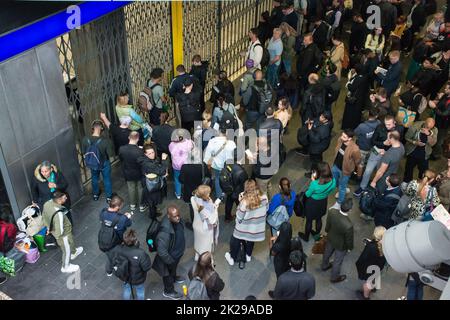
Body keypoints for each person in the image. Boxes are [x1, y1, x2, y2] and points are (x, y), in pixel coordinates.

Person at [354, 115, 404, 197]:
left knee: (381, 173)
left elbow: (398, 142)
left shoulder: (400, 129)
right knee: (368, 171)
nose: (386, 126)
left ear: (394, 123)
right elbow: (373, 141)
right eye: (385, 124)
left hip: (388, 154)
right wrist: (382, 144)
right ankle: (362, 187)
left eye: (389, 124)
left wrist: (387, 151)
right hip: (377, 151)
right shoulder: (380, 127)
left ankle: (375, 190)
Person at [224, 180, 269, 265]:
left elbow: (239, 216)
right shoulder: (264, 197)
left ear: (246, 188)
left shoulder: (244, 201)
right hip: (256, 227)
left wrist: (240, 201)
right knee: (251, 240)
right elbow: (266, 209)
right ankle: (248, 255)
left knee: (235, 239)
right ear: (256, 186)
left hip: (244, 227)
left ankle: (232, 258)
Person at [42, 191, 83, 273]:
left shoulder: (47, 204)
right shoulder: (59, 214)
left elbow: (43, 216)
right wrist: (59, 237)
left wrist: (48, 228)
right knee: (66, 250)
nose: (66, 198)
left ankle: (74, 252)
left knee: (71, 240)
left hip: (55, 229)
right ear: (59, 200)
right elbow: (60, 231)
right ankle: (65, 267)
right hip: (62, 234)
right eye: (65, 198)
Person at [152, 205, 186, 300]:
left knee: (173, 271)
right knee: (167, 275)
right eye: (175, 216)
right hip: (170, 258)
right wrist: (170, 261)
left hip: (176, 254)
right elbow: (162, 252)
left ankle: (174, 278)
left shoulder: (175, 221)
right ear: (168, 216)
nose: (178, 218)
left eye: (178, 215)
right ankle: (168, 291)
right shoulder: (164, 233)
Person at [300, 162, 336, 242]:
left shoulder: (315, 184)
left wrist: (312, 181)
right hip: (323, 202)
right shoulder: (333, 181)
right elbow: (330, 191)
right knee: (319, 219)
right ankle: (316, 235)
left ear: (319, 173)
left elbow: (307, 194)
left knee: (309, 221)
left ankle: (306, 237)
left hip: (312, 203)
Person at [112, 229, 152, 300]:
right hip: (138, 279)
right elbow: (147, 267)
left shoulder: (118, 249)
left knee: (127, 289)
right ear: (135, 241)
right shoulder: (141, 253)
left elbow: (114, 260)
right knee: (140, 291)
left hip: (125, 276)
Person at [321, 198, 354, 283]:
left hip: (331, 238)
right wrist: (350, 248)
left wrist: (327, 231)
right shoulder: (349, 225)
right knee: (337, 261)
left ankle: (324, 265)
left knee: (327, 252)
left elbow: (327, 225)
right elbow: (349, 240)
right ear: (349, 210)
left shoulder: (332, 212)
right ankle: (334, 277)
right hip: (341, 245)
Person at [82, 120, 114, 202]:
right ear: (102, 128)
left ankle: (95, 195)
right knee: (106, 179)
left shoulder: (85, 139)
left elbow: (84, 152)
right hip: (104, 163)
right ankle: (109, 197)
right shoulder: (105, 141)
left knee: (94, 178)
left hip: (93, 163)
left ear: (92, 128)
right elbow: (110, 154)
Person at [330, 130, 363, 211]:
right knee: (334, 181)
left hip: (345, 171)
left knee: (342, 187)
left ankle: (339, 203)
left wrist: (359, 174)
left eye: (344, 137)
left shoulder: (355, 149)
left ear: (350, 139)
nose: (341, 137)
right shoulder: (340, 140)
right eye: (342, 135)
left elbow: (358, 162)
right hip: (335, 166)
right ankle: (344, 190)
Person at [99, 195, 132, 276]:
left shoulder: (103, 212)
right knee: (113, 257)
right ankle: (111, 269)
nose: (121, 207)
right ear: (117, 207)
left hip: (104, 238)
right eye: (121, 206)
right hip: (117, 241)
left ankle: (109, 270)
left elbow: (101, 220)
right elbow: (129, 224)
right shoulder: (122, 218)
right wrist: (128, 217)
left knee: (109, 255)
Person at [204, 127, 237, 200]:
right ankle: (227, 192)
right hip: (228, 167)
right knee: (228, 179)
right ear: (227, 132)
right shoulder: (231, 143)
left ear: (218, 132)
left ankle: (219, 196)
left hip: (216, 166)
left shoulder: (212, 141)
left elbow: (207, 157)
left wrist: (208, 164)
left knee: (217, 179)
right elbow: (234, 156)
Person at [355, 226, 387, 300]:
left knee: (367, 284)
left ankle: (365, 296)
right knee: (374, 278)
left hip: (369, 268)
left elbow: (363, 258)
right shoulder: (385, 245)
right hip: (378, 267)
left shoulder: (370, 247)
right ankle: (373, 287)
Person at [138, 144, 169, 219]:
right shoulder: (148, 164)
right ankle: (153, 216)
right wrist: (164, 160)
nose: (152, 155)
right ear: (145, 154)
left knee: (152, 201)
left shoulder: (146, 160)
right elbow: (161, 171)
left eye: (153, 152)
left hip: (149, 184)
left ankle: (153, 212)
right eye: (149, 153)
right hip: (151, 186)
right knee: (152, 201)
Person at [119, 131, 146, 213]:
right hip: (138, 172)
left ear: (128, 137)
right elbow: (142, 163)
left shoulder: (122, 149)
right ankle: (141, 205)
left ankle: (132, 205)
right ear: (138, 139)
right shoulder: (140, 151)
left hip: (127, 171)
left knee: (131, 188)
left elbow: (121, 159)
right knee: (140, 188)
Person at [404, 118, 438, 183]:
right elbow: (406, 137)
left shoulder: (435, 130)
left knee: (424, 172)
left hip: (424, 155)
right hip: (412, 152)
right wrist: (414, 142)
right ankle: (406, 183)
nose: (429, 129)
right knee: (408, 170)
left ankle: (420, 184)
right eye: (427, 127)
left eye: (431, 128)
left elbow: (432, 144)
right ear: (424, 123)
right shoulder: (415, 126)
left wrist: (428, 134)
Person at [191, 185, 219, 261]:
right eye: (208, 193)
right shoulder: (205, 207)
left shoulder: (193, 198)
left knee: (198, 241)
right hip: (205, 229)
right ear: (204, 195)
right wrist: (215, 207)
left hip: (196, 225)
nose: (209, 194)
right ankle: (208, 259)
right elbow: (212, 220)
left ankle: (197, 255)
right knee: (206, 245)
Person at [342, 64, 369, 130]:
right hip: (361, 98)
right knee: (357, 114)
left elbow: (351, 88)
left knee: (350, 114)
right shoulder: (365, 76)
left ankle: (349, 126)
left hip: (354, 99)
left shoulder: (358, 78)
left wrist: (348, 81)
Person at [169, 129, 194, 200]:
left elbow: (171, 151)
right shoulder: (189, 142)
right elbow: (193, 150)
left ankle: (178, 194)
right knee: (188, 179)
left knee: (177, 179)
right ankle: (188, 193)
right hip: (186, 165)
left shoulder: (172, 144)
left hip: (176, 165)